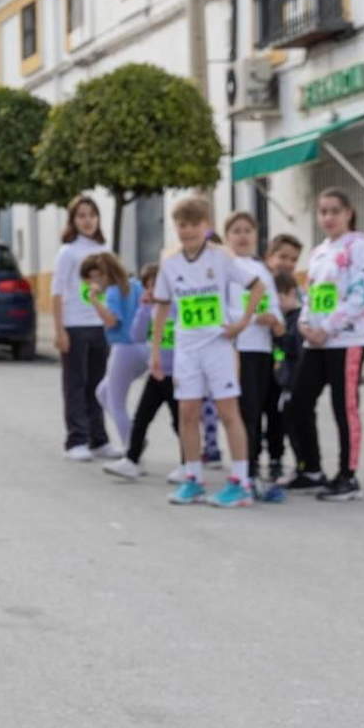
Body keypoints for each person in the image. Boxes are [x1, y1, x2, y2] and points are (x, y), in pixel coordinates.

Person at [148, 195, 265, 508]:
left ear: (206, 226)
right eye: (181, 225)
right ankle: (193, 479)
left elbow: (257, 286)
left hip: (218, 347)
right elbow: (162, 307)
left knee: (229, 412)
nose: (187, 231)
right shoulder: (169, 262)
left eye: (193, 225)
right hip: (186, 349)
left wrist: (241, 323)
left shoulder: (221, 257)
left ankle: (241, 483)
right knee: (188, 414)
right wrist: (156, 350)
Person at [287, 188, 364, 501]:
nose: (328, 217)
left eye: (334, 210)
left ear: (349, 212)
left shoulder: (359, 246)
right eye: (323, 211)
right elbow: (311, 295)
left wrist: (328, 327)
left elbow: (361, 295)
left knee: (345, 407)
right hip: (316, 343)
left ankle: (348, 476)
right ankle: (311, 468)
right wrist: (304, 323)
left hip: (348, 339)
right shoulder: (319, 252)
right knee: (297, 402)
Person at [222, 212, 286, 492]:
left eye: (248, 230)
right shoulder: (226, 266)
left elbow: (272, 304)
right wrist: (248, 318)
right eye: (236, 230)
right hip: (240, 347)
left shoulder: (262, 270)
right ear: (227, 237)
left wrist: (274, 320)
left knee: (261, 408)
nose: (243, 235)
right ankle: (243, 468)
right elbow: (224, 307)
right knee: (245, 410)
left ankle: (257, 465)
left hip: (263, 348)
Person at [104, 263, 178, 480]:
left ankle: (189, 463)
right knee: (141, 417)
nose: (152, 290)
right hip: (155, 372)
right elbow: (136, 335)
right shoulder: (151, 310)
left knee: (180, 421)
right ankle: (131, 460)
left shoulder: (176, 307)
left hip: (175, 374)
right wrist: (143, 309)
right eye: (148, 286)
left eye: (155, 285)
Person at [54, 195, 112, 461]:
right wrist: (60, 331)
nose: (87, 220)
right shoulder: (68, 251)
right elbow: (56, 293)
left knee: (98, 385)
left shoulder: (104, 250)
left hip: (100, 326)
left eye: (92, 215)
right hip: (75, 326)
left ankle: (98, 439)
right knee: (75, 385)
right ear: (73, 220)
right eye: (82, 215)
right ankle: (76, 439)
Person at [85, 250, 140, 459]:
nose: (93, 282)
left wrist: (94, 301)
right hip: (141, 346)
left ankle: (132, 448)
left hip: (123, 347)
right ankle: (135, 433)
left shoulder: (114, 292)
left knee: (115, 401)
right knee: (102, 391)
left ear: (102, 274)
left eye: (94, 277)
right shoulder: (134, 285)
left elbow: (112, 320)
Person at [261, 234, 303, 482]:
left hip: (284, 367)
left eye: (293, 259)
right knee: (255, 412)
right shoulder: (256, 283)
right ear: (269, 257)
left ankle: (277, 459)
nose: (287, 263)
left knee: (278, 416)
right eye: (282, 257)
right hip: (258, 359)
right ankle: (252, 460)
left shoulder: (293, 292)